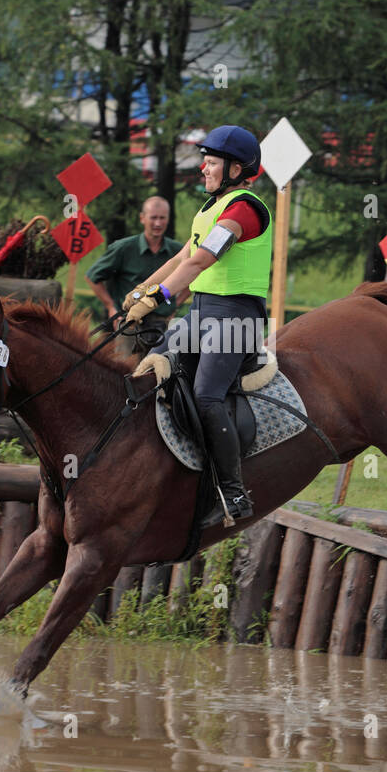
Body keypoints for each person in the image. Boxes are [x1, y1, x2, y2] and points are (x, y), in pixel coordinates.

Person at [123, 125, 272, 528]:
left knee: (207, 396)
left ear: (236, 169)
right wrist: (142, 290)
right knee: (148, 369)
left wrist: (158, 298)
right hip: (201, 314)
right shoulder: (209, 209)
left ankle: (233, 491)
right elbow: (180, 259)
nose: (203, 169)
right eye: (204, 161)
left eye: (211, 163)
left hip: (236, 318)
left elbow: (200, 262)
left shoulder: (244, 211)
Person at [85, 195, 188, 355]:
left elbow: (193, 277)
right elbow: (92, 276)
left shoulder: (178, 251)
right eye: (153, 217)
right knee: (125, 373)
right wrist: (111, 307)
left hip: (163, 323)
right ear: (142, 218)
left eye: (162, 218)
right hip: (129, 323)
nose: (158, 223)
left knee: (162, 372)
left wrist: (175, 304)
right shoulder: (124, 248)